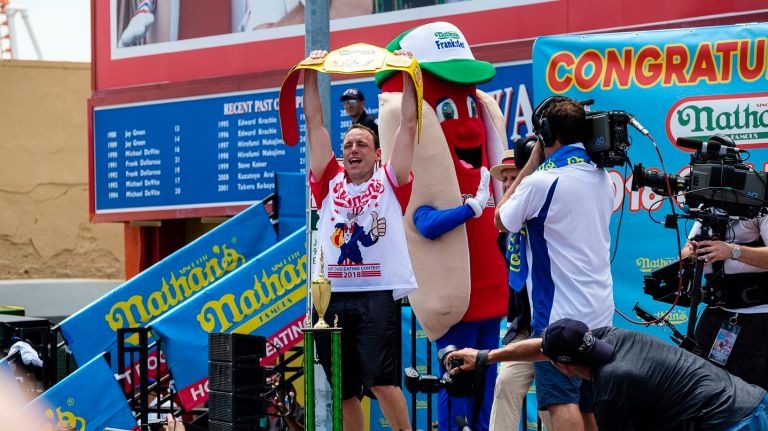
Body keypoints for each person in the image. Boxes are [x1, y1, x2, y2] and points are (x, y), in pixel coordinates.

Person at [304, 49, 417, 431]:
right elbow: (313, 121)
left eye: (362, 145)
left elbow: (410, 126)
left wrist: (407, 71)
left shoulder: (390, 181)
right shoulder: (328, 181)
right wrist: (309, 71)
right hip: (330, 297)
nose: (353, 149)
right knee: (345, 390)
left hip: (376, 294)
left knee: (383, 383)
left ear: (377, 154)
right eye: (349, 144)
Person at [494, 96, 614, 431]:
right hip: (601, 312)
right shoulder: (602, 179)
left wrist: (530, 165)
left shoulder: (540, 182)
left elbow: (499, 220)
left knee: (563, 402)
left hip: (558, 317)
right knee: (589, 407)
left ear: (545, 134)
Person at [447, 318, 768, 431]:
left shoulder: (612, 387)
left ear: (562, 368)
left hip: (735, 423)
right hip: (750, 400)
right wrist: (485, 357)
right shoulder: (608, 336)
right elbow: (540, 348)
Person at [488, 146, 552, 431]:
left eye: (515, 178)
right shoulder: (508, 232)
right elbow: (504, 222)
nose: (508, 184)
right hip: (524, 328)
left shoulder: (545, 217)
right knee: (505, 384)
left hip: (553, 324)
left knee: (553, 404)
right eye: (505, 180)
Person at [683, 213, 768, 390]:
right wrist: (691, 252)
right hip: (714, 314)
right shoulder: (708, 202)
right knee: (701, 385)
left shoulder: (761, 205)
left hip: (757, 320)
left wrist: (732, 251)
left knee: (753, 395)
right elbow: (683, 252)